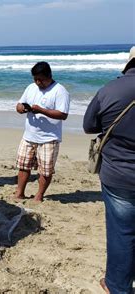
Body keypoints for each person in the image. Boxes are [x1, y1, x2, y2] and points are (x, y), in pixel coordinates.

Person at [83, 46, 135, 294]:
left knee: (122, 233)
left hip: (119, 174)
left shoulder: (109, 89)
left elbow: (89, 126)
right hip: (120, 174)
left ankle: (117, 286)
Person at [14, 61, 70, 202]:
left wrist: (42, 111)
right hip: (29, 135)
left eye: (41, 79)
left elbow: (63, 114)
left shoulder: (60, 91)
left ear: (49, 76)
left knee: (45, 170)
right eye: (35, 79)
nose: (38, 82)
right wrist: (21, 108)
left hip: (49, 138)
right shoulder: (31, 88)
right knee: (23, 166)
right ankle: (19, 193)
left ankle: (39, 195)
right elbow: (19, 104)